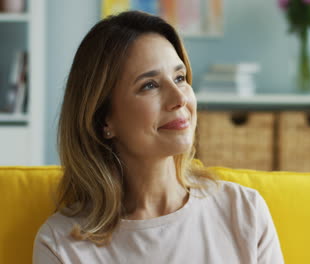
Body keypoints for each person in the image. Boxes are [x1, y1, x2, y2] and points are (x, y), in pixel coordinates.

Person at [33, 11, 283, 264]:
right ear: (103, 120)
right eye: (149, 85)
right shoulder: (61, 244)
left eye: (180, 78)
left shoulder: (244, 212)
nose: (180, 98)